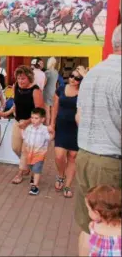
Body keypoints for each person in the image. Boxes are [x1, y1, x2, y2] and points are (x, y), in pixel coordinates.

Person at [75, 24, 121, 255]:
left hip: (85, 157)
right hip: (111, 163)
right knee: (112, 228)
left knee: (88, 226)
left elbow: (79, 117)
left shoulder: (93, 73)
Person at [50, 67, 85, 198]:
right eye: (71, 76)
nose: (73, 79)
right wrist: (52, 124)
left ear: (81, 81)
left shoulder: (83, 92)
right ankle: (60, 175)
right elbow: (55, 108)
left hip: (76, 128)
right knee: (59, 156)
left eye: (77, 78)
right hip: (61, 126)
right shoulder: (61, 89)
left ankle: (68, 185)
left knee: (72, 157)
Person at [11, 65, 44, 185]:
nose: (20, 81)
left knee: (25, 150)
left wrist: (28, 122)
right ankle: (28, 165)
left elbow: (39, 110)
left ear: (29, 78)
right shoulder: (16, 87)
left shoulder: (35, 90)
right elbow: (15, 104)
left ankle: (20, 173)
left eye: (23, 78)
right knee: (15, 147)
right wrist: (8, 113)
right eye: (19, 78)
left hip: (30, 124)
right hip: (18, 122)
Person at [21, 108, 53, 195]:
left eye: (36, 118)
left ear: (42, 119)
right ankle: (33, 176)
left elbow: (49, 138)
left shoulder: (44, 129)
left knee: (37, 168)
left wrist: (52, 133)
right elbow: (24, 137)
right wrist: (22, 128)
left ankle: (35, 186)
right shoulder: (29, 128)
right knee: (31, 167)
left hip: (40, 153)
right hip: (30, 152)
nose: (33, 120)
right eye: (32, 118)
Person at [83, 185, 121, 256]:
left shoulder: (93, 226)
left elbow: (87, 247)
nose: (88, 211)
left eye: (89, 209)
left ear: (97, 213)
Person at [43, 57, 59, 125]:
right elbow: (55, 83)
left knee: (47, 109)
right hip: (53, 91)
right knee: (52, 109)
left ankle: (47, 124)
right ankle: (52, 124)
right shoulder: (56, 72)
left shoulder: (47, 72)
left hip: (47, 91)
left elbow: (44, 83)